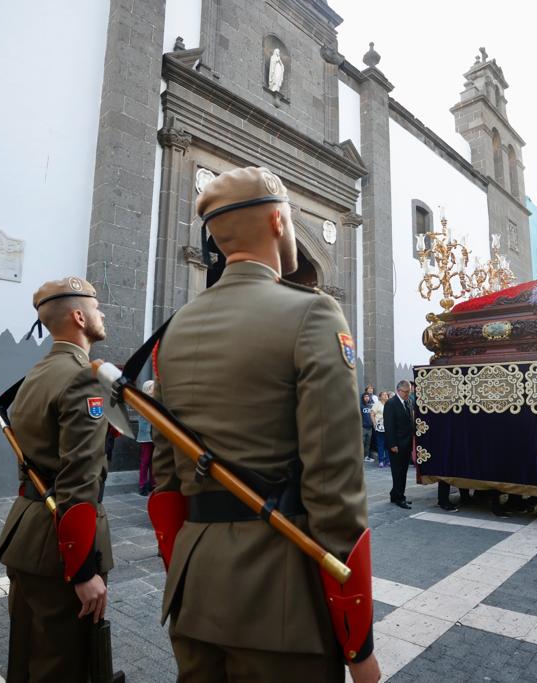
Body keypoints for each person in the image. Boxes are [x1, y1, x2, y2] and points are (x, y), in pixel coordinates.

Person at [150, 167, 379, 682]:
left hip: (194, 585)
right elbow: (334, 485)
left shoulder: (176, 328)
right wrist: (357, 640)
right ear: (279, 220)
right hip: (282, 595)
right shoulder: (313, 314)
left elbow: (166, 475)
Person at [0, 276, 114, 681]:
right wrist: (81, 570)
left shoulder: (37, 373)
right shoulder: (84, 378)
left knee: (27, 653)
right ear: (79, 316)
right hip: (61, 541)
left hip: (27, 531)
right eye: (96, 308)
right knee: (62, 663)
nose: (102, 314)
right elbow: (80, 480)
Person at [384, 380, 415, 509]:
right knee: (398, 472)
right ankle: (399, 498)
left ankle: (394, 494)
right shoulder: (391, 403)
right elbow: (389, 425)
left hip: (406, 443)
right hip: (396, 444)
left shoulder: (407, 402)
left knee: (403, 471)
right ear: (399, 390)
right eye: (406, 392)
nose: (408, 394)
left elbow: (410, 421)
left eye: (409, 392)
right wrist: (392, 444)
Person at [137, 379, 156, 495]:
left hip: (155, 433)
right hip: (146, 434)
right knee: (145, 460)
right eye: (153, 388)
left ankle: (153, 483)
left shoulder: (154, 401)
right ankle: (142, 484)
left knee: (153, 460)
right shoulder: (143, 401)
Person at [371, 391, 389, 467]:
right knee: (380, 444)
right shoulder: (377, 404)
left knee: (388, 445)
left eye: (386, 395)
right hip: (379, 426)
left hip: (388, 427)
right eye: (384, 395)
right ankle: (381, 461)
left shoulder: (389, 403)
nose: (385, 396)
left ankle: (388, 461)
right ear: (380, 397)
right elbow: (372, 414)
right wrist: (374, 423)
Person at [361, 391, 375, 463]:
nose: (367, 398)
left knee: (368, 443)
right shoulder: (361, 406)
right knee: (362, 442)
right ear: (363, 398)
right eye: (365, 397)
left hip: (370, 427)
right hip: (363, 427)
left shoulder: (371, 406)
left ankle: (366, 457)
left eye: (368, 396)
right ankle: (360, 456)